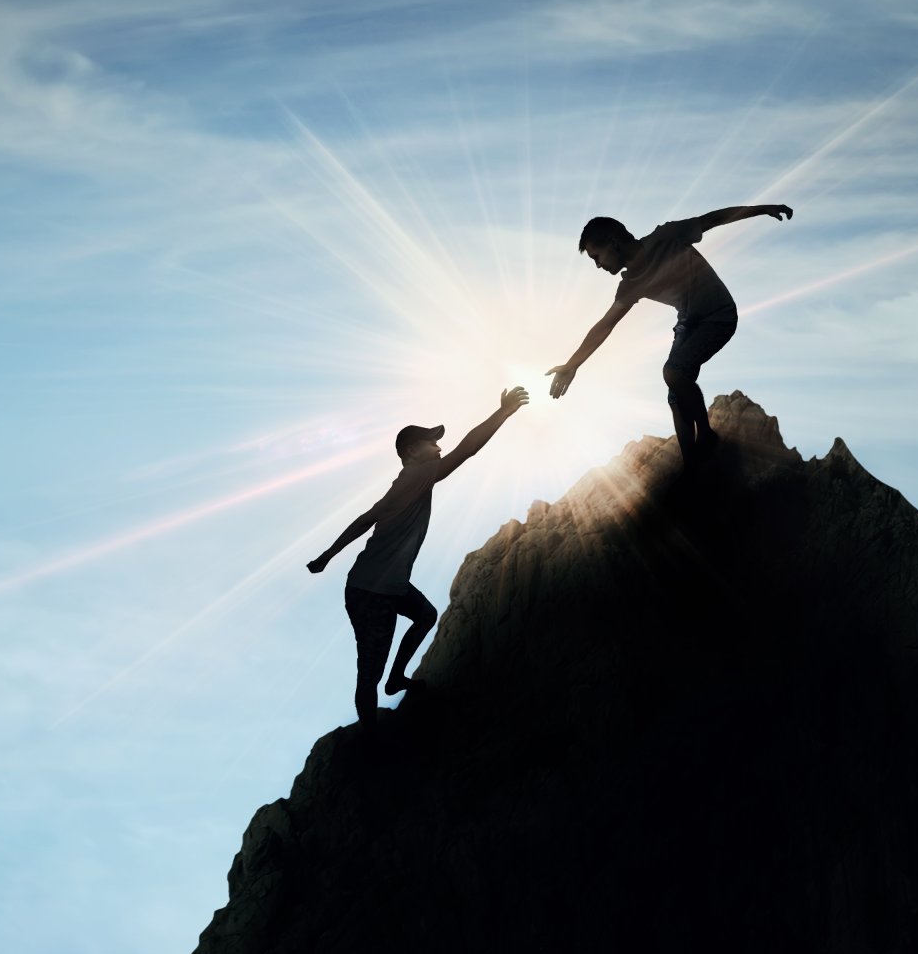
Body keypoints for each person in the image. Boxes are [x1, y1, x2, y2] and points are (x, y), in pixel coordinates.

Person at [308, 387, 530, 728]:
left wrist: (328, 555)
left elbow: (367, 518)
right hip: (371, 591)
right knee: (370, 670)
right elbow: (467, 450)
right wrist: (503, 413)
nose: (439, 447)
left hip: (386, 583)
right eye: (432, 442)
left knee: (425, 615)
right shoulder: (417, 474)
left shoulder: (409, 481)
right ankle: (368, 740)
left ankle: (397, 678)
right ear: (412, 451)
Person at [546, 204, 792, 465]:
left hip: (719, 315)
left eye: (597, 257)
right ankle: (692, 466)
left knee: (673, 372)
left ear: (612, 242)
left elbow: (714, 218)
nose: (597, 265)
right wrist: (572, 365)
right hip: (688, 323)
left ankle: (706, 435)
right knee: (675, 394)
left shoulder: (667, 236)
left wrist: (765, 208)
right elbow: (605, 325)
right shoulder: (630, 284)